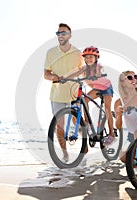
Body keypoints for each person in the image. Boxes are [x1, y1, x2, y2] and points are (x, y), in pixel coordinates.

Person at [44, 23, 84, 162]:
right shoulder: (51, 52)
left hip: (73, 92)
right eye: (58, 33)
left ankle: (84, 138)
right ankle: (65, 154)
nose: (60, 35)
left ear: (70, 35)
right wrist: (53, 77)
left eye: (63, 33)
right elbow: (46, 74)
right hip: (57, 93)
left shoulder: (78, 53)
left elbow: (84, 69)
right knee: (59, 126)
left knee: (79, 119)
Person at [64, 46, 115, 145]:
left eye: (91, 57)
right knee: (84, 99)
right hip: (96, 88)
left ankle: (112, 134)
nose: (88, 59)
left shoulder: (98, 66)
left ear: (96, 58)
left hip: (106, 88)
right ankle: (86, 124)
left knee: (107, 109)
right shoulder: (84, 68)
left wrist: (96, 75)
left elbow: (100, 72)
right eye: (86, 57)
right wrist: (65, 78)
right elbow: (75, 74)